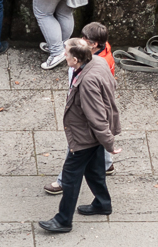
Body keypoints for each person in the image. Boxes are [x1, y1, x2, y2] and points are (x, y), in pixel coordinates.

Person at [38, 38, 119, 234]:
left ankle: (63, 220)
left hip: (84, 137)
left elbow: (97, 116)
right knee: (94, 170)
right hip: (93, 136)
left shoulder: (87, 82)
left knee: (70, 177)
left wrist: (108, 143)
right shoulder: (97, 62)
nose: (64, 55)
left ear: (75, 59)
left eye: (66, 53)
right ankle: (102, 203)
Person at [44, 22, 119, 195]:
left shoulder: (97, 62)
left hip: (84, 111)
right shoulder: (99, 53)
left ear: (93, 44)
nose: (81, 40)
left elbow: (94, 101)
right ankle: (107, 164)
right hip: (85, 103)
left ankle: (63, 182)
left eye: (85, 39)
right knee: (98, 140)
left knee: (75, 146)